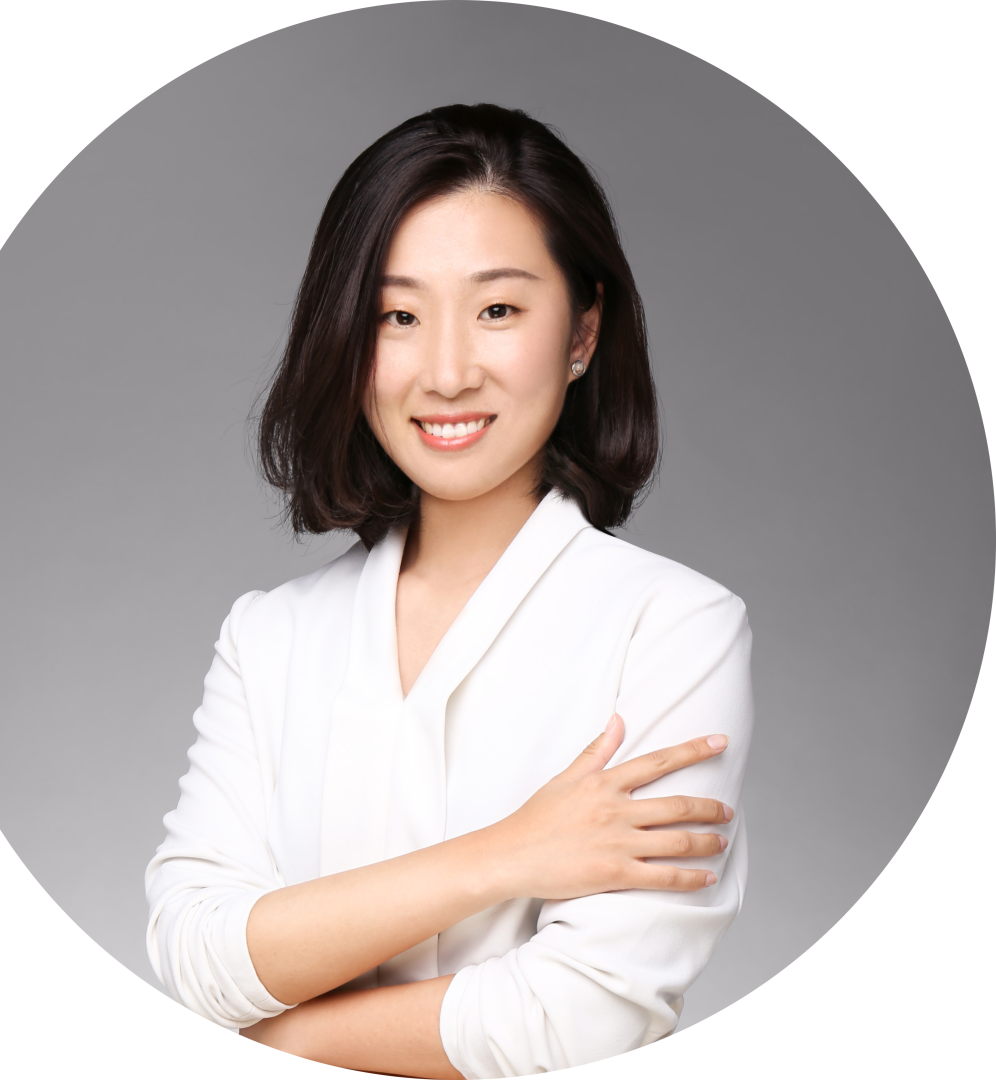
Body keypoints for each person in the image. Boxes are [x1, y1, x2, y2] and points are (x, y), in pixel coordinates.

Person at [145, 103, 753, 1079]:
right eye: (399, 316)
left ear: (583, 331)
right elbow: (193, 960)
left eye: (498, 310)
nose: (447, 372)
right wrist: (508, 853)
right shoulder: (269, 637)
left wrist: (277, 1033)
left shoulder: (673, 628)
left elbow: (585, 1017)